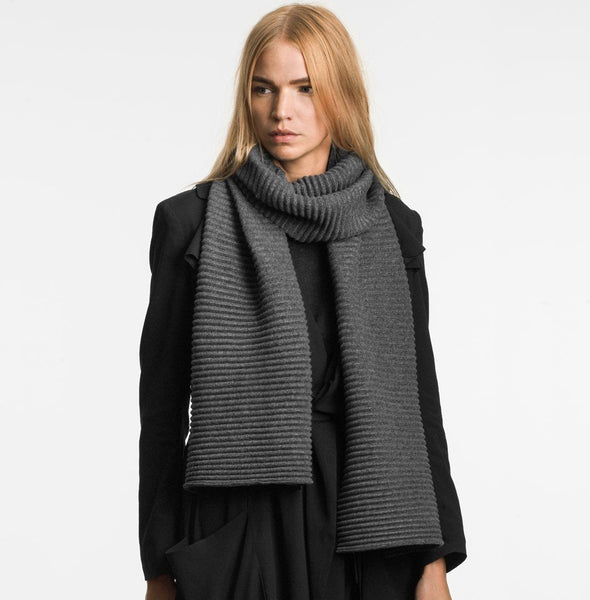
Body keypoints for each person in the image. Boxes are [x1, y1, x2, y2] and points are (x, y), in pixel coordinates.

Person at [138, 4, 467, 600]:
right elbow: (161, 413)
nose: (281, 111)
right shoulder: (192, 224)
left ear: (340, 93)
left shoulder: (393, 227)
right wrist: (158, 569)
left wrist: (435, 558)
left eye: (305, 88)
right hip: (237, 523)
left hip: (373, 517)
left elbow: (421, 399)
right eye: (263, 88)